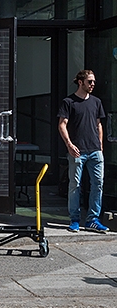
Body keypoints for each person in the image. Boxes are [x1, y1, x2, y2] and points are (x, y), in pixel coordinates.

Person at [57, 69, 109, 233]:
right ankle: (75, 220)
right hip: (77, 150)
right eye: (90, 82)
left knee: (98, 184)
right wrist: (69, 145)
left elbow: (98, 124)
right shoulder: (69, 102)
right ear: (81, 82)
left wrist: (100, 144)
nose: (93, 84)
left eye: (93, 82)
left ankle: (93, 219)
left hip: (95, 150)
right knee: (75, 185)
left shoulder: (96, 102)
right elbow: (62, 124)